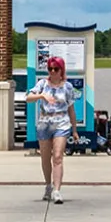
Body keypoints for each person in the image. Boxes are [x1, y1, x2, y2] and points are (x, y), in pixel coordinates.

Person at [25, 56, 78, 204]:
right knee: (45, 157)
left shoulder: (67, 87)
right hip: (45, 123)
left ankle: (57, 190)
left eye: (56, 69)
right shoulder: (42, 84)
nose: (53, 72)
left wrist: (74, 129)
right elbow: (28, 97)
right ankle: (48, 185)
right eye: (50, 69)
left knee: (58, 156)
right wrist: (41, 95)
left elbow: (71, 109)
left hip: (61, 122)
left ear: (62, 70)